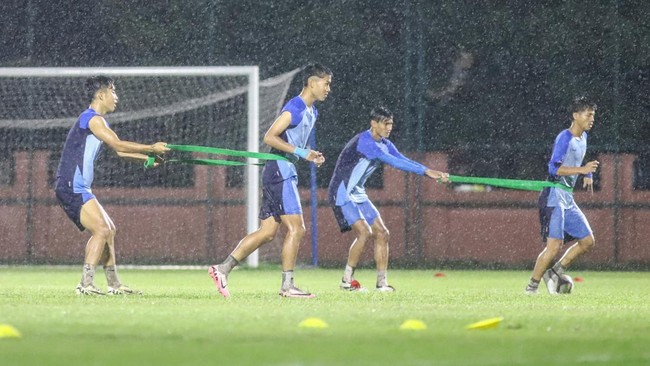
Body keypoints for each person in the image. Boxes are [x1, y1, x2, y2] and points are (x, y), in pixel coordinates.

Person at [208, 63, 332, 298]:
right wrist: (301, 152)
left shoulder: (312, 112)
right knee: (297, 228)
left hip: (281, 170)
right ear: (312, 82)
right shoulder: (295, 106)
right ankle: (287, 286)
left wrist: (308, 153)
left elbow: (294, 145)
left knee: (267, 232)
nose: (328, 89)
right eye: (326, 83)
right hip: (280, 171)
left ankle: (221, 269)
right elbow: (270, 137)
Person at [55, 76, 170, 295]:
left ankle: (114, 285)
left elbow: (119, 151)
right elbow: (117, 144)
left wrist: (147, 159)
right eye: (113, 91)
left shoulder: (98, 121)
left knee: (110, 230)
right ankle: (85, 284)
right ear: (101, 94)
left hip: (79, 186)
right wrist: (151, 148)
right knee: (101, 229)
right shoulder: (92, 119)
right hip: (72, 185)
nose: (116, 97)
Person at [328, 106, 449, 292]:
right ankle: (346, 280)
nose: (389, 128)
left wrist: (430, 171)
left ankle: (382, 283)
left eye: (391, 124)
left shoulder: (385, 143)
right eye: (385, 124)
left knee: (383, 233)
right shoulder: (365, 142)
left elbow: (403, 159)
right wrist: (427, 172)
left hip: (358, 192)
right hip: (342, 191)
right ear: (373, 123)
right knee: (364, 232)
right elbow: (393, 162)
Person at [525, 96, 599, 295]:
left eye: (593, 115)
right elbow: (553, 169)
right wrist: (582, 170)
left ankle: (555, 272)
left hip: (568, 197)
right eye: (588, 115)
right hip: (554, 195)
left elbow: (577, 163)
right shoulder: (564, 138)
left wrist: (588, 173)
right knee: (554, 246)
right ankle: (531, 288)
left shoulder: (583, 137)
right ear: (576, 116)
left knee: (587, 241)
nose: (592, 119)